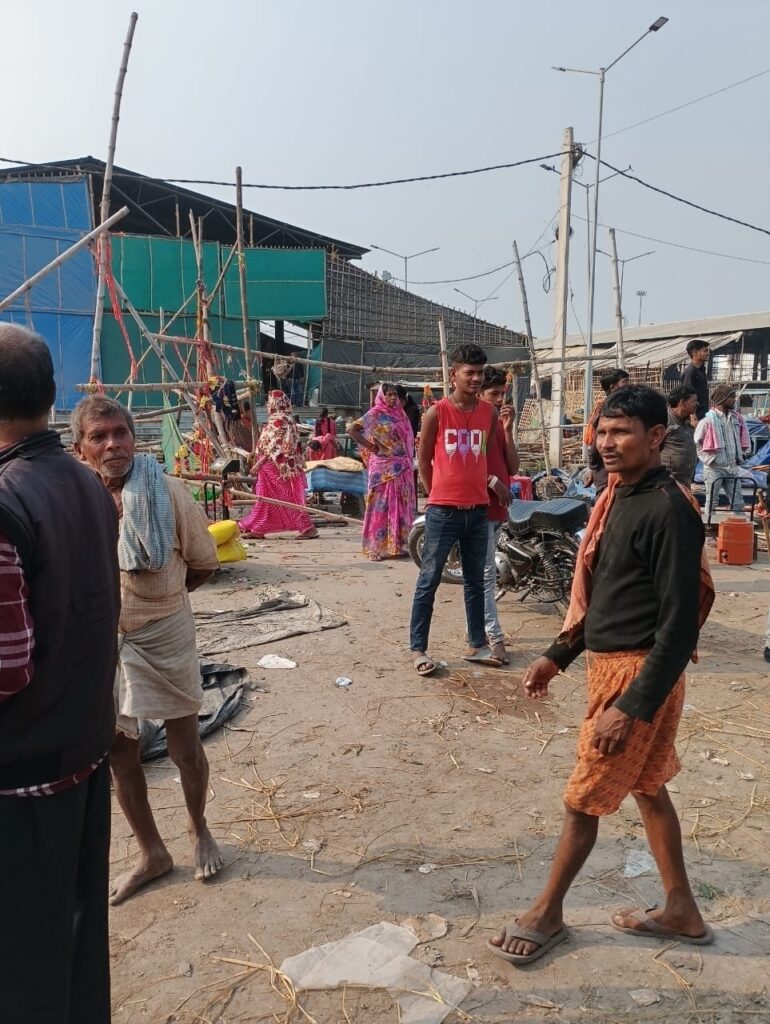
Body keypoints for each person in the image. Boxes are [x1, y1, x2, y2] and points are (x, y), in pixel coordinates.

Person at [489, 385, 715, 966]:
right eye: (603, 432)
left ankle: (547, 914)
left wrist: (631, 706)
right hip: (608, 666)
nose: (607, 444)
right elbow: (610, 595)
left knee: (581, 799)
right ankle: (682, 910)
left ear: (656, 437)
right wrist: (557, 654)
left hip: (638, 676)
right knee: (648, 787)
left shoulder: (668, 510)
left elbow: (678, 628)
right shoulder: (617, 495)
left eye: (621, 433)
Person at [0, 326, 120, 1022]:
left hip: (21, 778)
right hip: (81, 752)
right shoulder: (86, 483)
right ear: (50, 396)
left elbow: (6, 670)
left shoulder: (7, 500)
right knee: (75, 948)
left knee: (24, 973)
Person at [72, 396, 223, 906]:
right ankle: (152, 853)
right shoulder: (77, 501)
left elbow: (204, 563)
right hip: (103, 641)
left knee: (185, 747)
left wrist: (161, 599)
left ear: (135, 439)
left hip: (165, 631)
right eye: (99, 436)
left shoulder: (169, 492)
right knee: (120, 750)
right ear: (80, 448)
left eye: (121, 433)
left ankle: (198, 826)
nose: (113, 444)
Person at [409, 344, 510, 676]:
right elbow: (424, 460)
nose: (476, 378)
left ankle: (477, 645)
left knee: (475, 582)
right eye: (470, 372)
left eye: (480, 373)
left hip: (479, 511)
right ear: (454, 375)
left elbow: (485, 457)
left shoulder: (489, 414)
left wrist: (486, 483)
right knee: (429, 580)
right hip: (443, 512)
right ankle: (419, 649)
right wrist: (437, 493)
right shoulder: (436, 413)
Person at [476, 366, 520, 663]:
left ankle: (479, 630)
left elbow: (513, 467)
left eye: (502, 394)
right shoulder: (475, 423)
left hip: (497, 509)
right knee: (486, 576)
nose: (500, 400)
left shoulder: (499, 423)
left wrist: (508, 430)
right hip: (479, 507)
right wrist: (490, 480)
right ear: (480, 394)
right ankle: (494, 637)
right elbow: (462, 464)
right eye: (494, 394)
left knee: (485, 576)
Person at [347, 384, 416, 561]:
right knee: (380, 506)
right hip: (383, 469)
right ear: (382, 396)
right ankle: (375, 548)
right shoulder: (376, 414)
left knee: (401, 506)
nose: (392, 398)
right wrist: (371, 446)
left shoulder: (401, 414)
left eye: (394, 395)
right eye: (389, 395)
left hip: (403, 467)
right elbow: (352, 430)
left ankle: (398, 545)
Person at [238, 390, 318, 540]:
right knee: (266, 498)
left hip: (275, 467)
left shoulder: (280, 420)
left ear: (276, 403)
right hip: (273, 468)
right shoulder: (284, 419)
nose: (268, 405)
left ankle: (306, 527)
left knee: (283, 497)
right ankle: (259, 527)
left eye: (270, 402)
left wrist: (260, 462)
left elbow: (275, 445)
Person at [694, 383, 753, 525]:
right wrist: (710, 460)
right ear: (722, 398)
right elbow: (697, 442)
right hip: (714, 468)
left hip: (732, 467)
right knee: (712, 502)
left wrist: (741, 455)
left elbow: (742, 438)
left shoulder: (736, 419)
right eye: (731, 397)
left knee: (738, 502)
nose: (734, 400)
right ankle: (710, 529)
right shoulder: (708, 420)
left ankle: (740, 527)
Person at [584, 369, 630, 493]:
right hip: (605, 470)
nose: (628, 385)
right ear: (613, 387)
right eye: (625, 382)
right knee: (607, 499)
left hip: (619, 467)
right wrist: (593, 467)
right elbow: (595, 443)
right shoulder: (606, 411)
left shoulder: (622, 408)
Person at [660, 385, 698, 487]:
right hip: (668, 481)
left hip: (685, 480)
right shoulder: (664, 419)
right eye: (694, 401)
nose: (697, 404)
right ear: (682, 403)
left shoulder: (687, 421)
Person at [682, 339, 710, 420]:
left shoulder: (701, 370)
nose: (708, 353)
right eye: (705, 351)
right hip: (696, 413)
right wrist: (692, 415)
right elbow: (687, 394)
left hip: (703, 411)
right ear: (695, 352)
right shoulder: (690, 371)